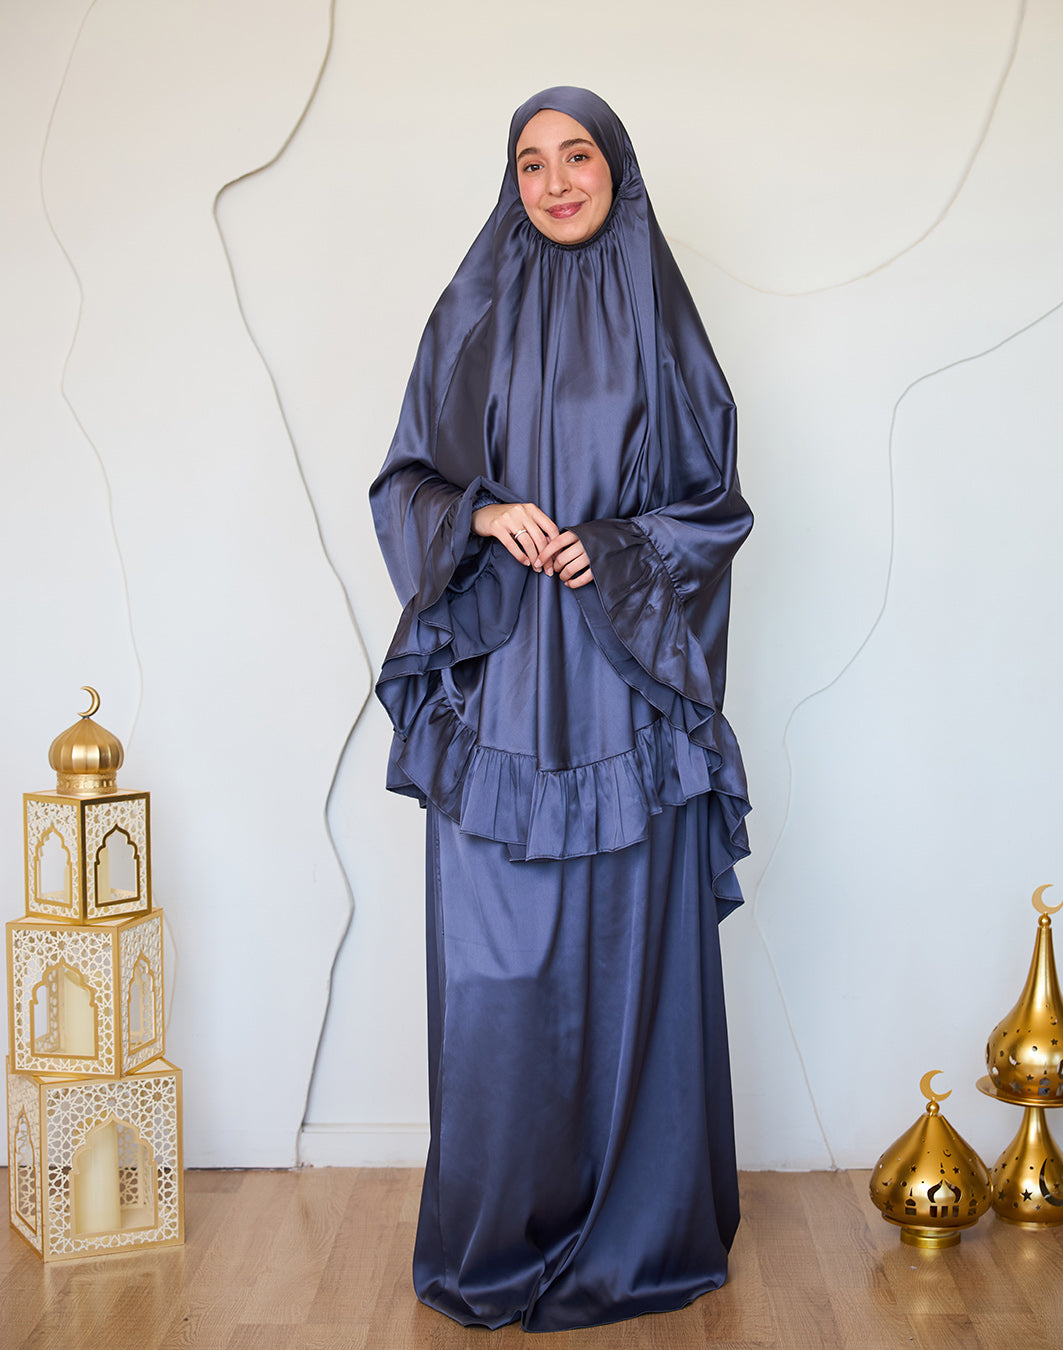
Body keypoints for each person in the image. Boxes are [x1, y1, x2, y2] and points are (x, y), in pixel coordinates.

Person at [370, 86, 752, 1333]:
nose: (554, 182)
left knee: (630, 951)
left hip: (623, 689)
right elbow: (405, 481)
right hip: (500, 691)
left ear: (614, 169)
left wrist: (624, 546)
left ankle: (638, 1228)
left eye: (575, 156)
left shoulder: (661, 318)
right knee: (498, 971)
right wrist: (481, 514)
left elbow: (715, 504)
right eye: (530, 163)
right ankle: (498, 1230)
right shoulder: (470, 311)